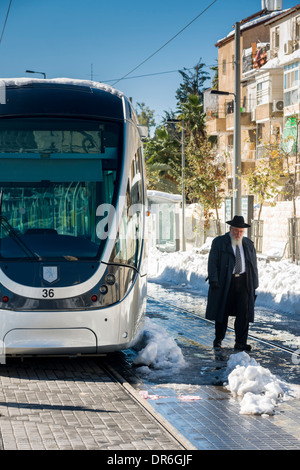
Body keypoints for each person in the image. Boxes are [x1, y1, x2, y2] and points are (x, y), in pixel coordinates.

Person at [205, 215, 258, 351]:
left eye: (241, 231)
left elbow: (253, 265)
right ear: (230, 229)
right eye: (236, 231)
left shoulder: (248, 244)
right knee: (222, 311)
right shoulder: (219, 242)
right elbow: (212, 262)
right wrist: (214, 279)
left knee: (244, 313)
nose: (238, 234)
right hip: (225, 282)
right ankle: (218, 339)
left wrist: (254, 284)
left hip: (244, 281)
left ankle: (240, 342)